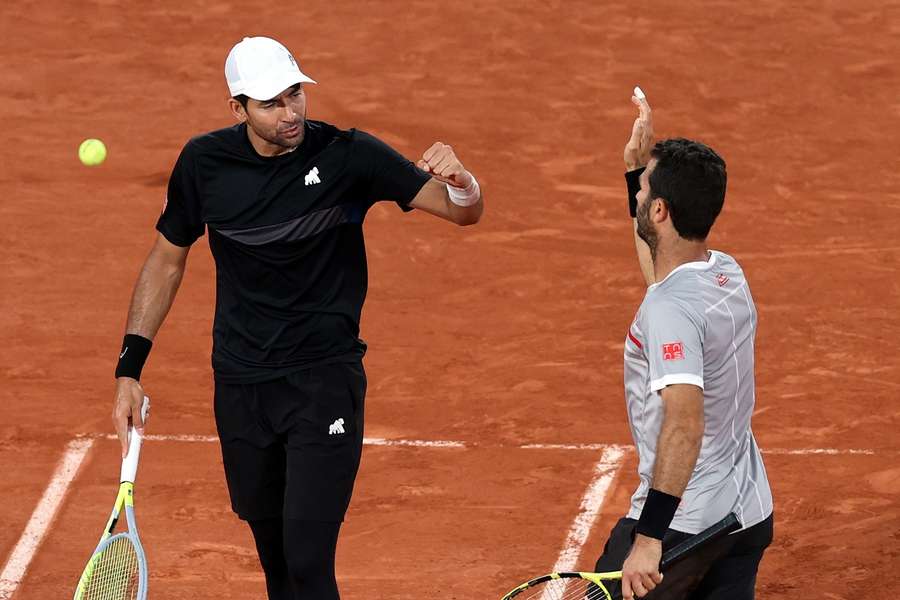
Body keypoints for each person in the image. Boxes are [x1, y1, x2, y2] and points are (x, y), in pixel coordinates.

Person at [109, 36, 484, 599]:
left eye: (295, 96)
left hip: (323, 381)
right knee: (278, 566)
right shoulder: (204, 164)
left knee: (309, 561)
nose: (291, 113)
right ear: (238, 110)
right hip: (242, 384)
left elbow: (464, 214)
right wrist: (129, 367)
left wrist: (463, 183)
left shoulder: (348, 156)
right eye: (271, 104)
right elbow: (167, 258)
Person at [591, 93, 773, 599]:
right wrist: (634, 171)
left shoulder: (668, 309)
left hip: (685, 527)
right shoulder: (725, 273)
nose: (638, 195)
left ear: (661, 209)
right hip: (746, 513)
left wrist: (648, 539)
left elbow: (685, 423)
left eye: (643, 190)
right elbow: (661, 278)